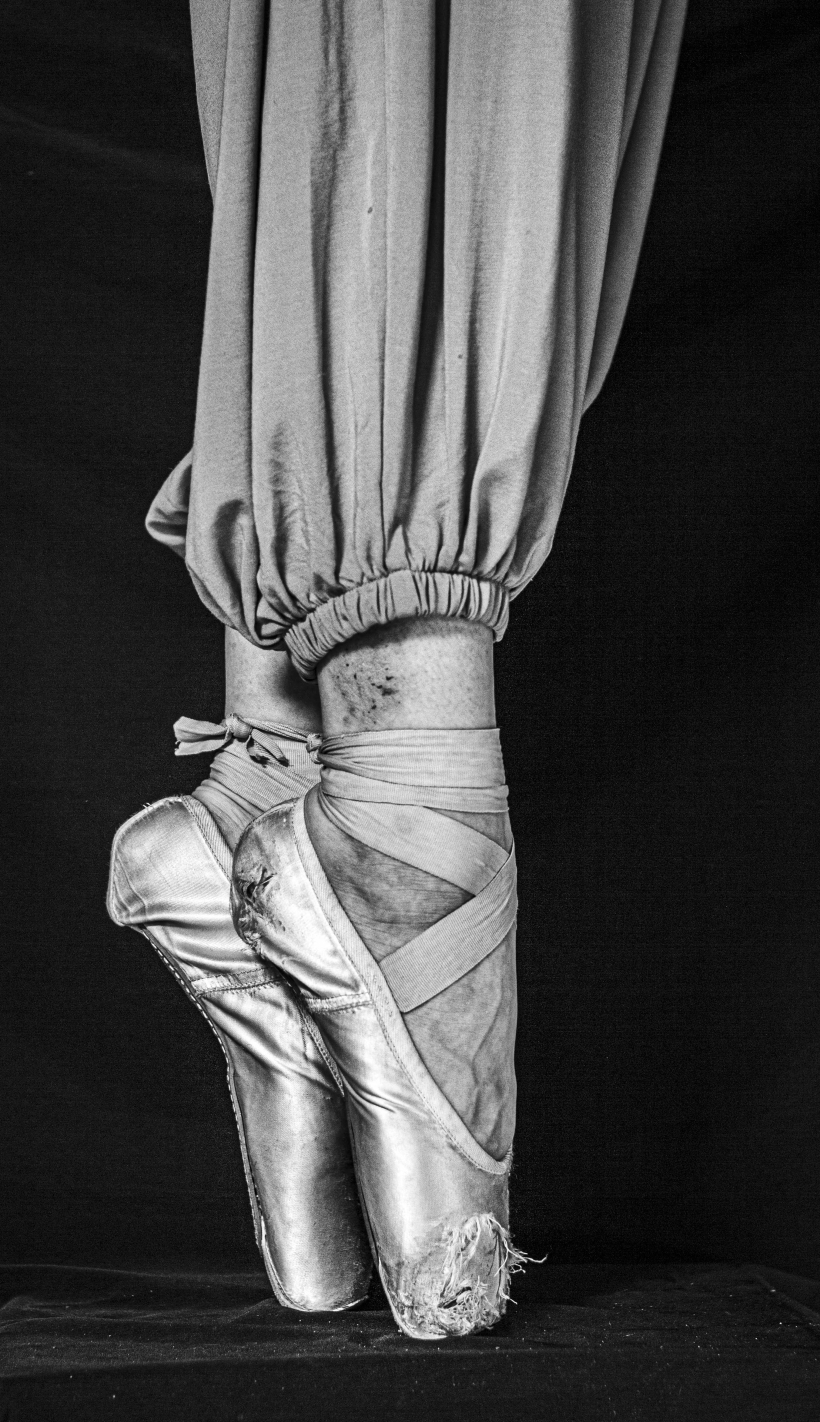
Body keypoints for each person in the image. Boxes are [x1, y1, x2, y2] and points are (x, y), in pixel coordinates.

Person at [108, 0, 687, 1339]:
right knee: (459, 71)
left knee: (322, 110)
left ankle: (270, 789)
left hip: (282, 698)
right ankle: (395, 827)